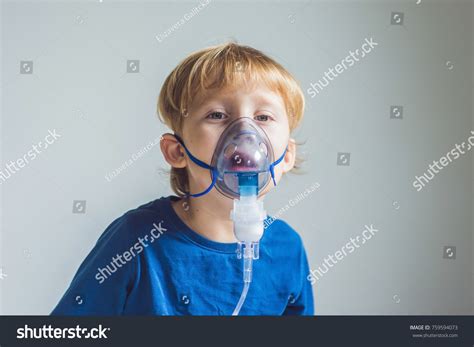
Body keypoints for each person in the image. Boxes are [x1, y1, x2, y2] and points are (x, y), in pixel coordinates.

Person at [51, 42, 314, 315]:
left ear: (285, 157)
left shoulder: (288, 249)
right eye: (218, 115)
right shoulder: (137, 240)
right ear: (177, 151)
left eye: (263, 116)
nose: (245, 135)